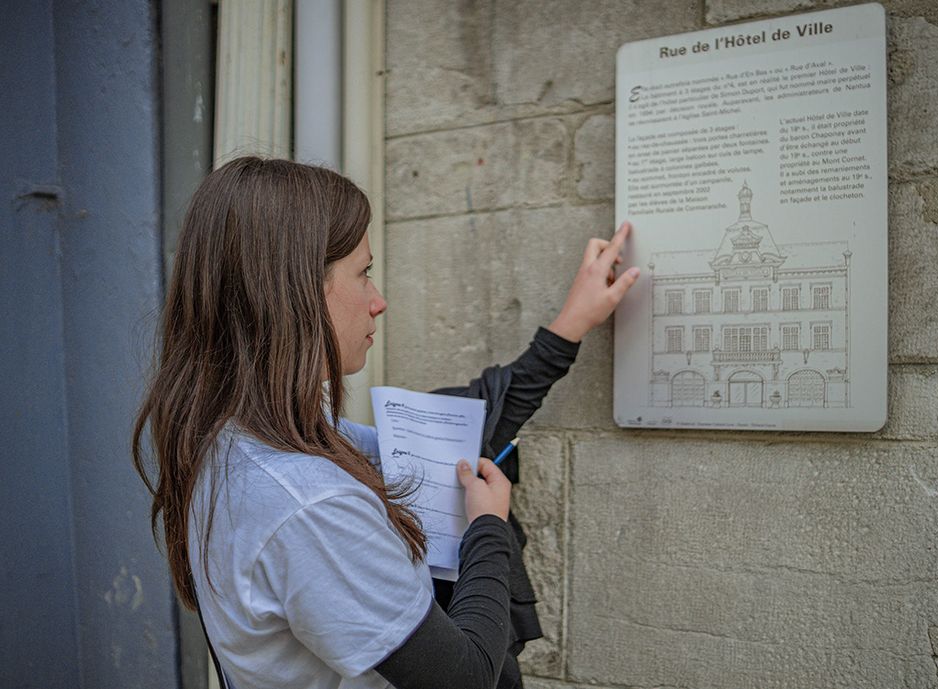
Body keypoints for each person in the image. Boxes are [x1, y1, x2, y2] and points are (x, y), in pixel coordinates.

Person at [133, 157, 639, 689]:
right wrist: (488, 529)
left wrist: (568, 328)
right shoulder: (312, 505)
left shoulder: (237, 440)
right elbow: (464, 679)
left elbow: (445, 439)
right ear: (296, 290)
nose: (379, 302)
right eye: (363, 273)